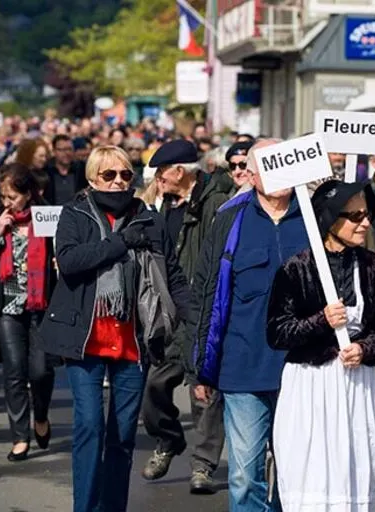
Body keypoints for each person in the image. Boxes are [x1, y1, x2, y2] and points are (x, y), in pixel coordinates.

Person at [40, 145, 193, 512]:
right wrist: (119, 243)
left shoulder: (147, 217)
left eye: (125, 174)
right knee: (90, 426)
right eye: (109, 175)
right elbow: (71, 260)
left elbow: (171, 274)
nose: (119, 181)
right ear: (93, 179)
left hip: (133, 342)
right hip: (85, 339)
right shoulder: (75, 213)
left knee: (122, 435)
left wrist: (197, 320)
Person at [267, 179, 375, 511]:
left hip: (357, 385)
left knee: (354, 468)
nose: (365, 223)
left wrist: (365, 348)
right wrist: (320, 321)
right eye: (354, 216)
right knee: (310, 470)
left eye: (366, 214)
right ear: (329, 219)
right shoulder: (296, 269)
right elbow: (277, 332)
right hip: (311, 385)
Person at [192, 138, 308, 511]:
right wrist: (200, 368)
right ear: (251, 176)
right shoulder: (230, 220)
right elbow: (207, 295)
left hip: (303, 370)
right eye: (270, 165)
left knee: (296, 476)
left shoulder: (315, 217)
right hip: (243, 368)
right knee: (244, 476)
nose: (281, 174)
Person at [140, 140, 231, 494]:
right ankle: (168, 439)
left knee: (203, 392)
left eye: (162, 174)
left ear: (180, 172)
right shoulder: (161, 206)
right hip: (172, 315)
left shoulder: (215, 205)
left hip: (203, 312)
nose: (158, 180)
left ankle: (203, 466)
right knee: (155, 386)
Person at [0, 164, 56, 461]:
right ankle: (20, 437)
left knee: (40, 371)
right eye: (3, 196)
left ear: (28, 194)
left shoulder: (45, 219)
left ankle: (40, 415)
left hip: (41, 307)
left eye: (13, 196)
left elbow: (63, 253)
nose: (7, 203)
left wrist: (58, 263)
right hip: (8, 308)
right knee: (14, 372)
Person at [43, 134, 88, 206]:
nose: (67, 153)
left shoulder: (82, 169)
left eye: (69, 149)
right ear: (54, 151)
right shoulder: (45, 171)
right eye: (62, 150)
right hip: (51, 214)